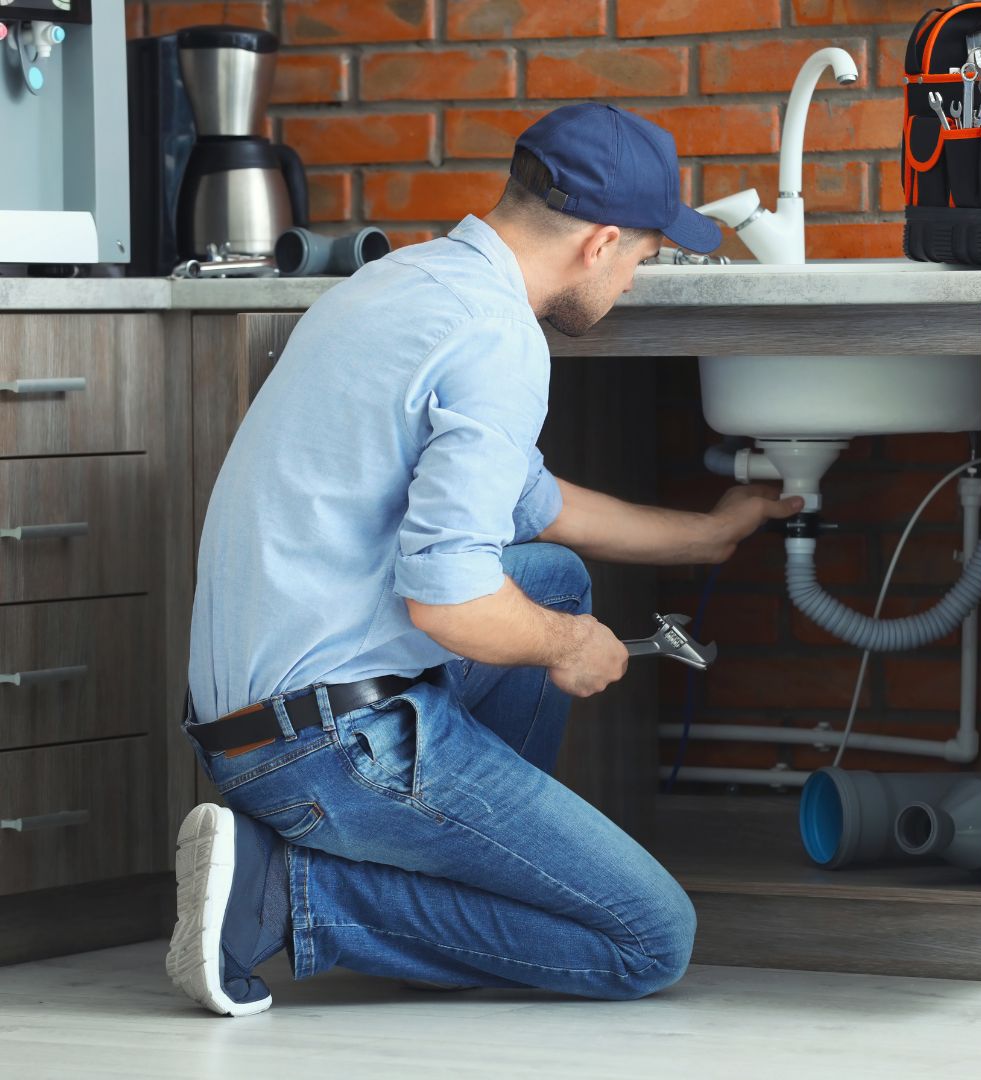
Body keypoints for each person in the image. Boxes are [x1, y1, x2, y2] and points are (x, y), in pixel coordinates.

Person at [166, 102, 805, 1017]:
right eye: (643, 258)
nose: (633, 280)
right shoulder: (500, 341)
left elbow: (533, 505)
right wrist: (566, 647)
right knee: (649, 940)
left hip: (249, 720)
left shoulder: (409, 283)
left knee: (551, 577)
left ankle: (456, 871)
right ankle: (282, 893)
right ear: (602, 244)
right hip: (327, 748)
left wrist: (705, 534)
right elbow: (451, 605)